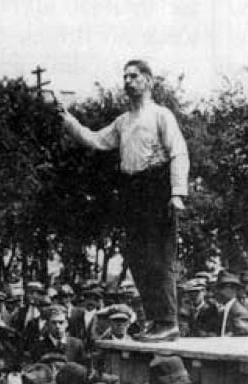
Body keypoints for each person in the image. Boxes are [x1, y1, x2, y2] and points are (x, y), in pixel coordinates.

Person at [54, 59, 189, 342]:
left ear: (149, 81)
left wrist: (177, 193)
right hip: (132, 191)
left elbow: (178, 152)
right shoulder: (123, 121)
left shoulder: (161, 115)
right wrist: (70, 122)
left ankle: (168, 321)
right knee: (137, 258)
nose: (128, 81)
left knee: (159, 258)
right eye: (125, 77)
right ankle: (154, 320)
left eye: (135, 76)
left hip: (157, 187)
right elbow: (96, 141)